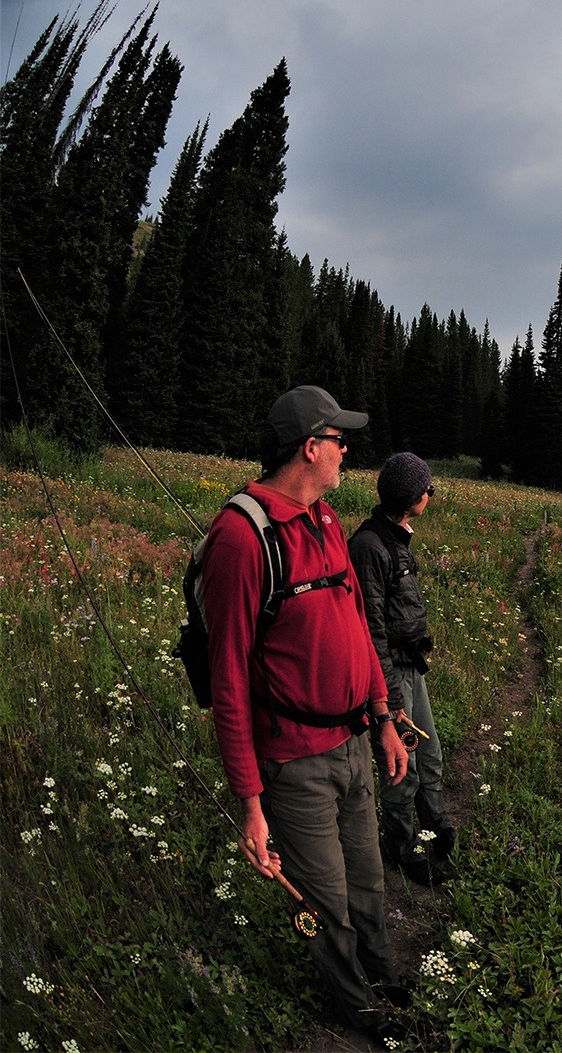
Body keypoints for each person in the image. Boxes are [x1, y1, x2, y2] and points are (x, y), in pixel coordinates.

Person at [201, 385, 411, 1043]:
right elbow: (228, 679)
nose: (347, 450)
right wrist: (251, 803)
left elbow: (353, 623)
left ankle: (381, 973)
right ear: (309, 447)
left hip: (353, 743)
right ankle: (354, 1003)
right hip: (293, 764)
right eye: (338, 439)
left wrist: (382, 716)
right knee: (317, 906)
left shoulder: (322, 518)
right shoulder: (241, 536)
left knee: (367, 880)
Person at [350, 452, 457, 885]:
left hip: (411, 665)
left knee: (428, 754)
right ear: (412, 495)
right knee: (402, 767)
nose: (431, 494)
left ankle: (437, 825)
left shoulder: (396, 538)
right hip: (391, 674)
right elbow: (371, 631)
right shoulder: (369, 547)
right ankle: (405, 849)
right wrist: (389, 702)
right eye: (427, 488)